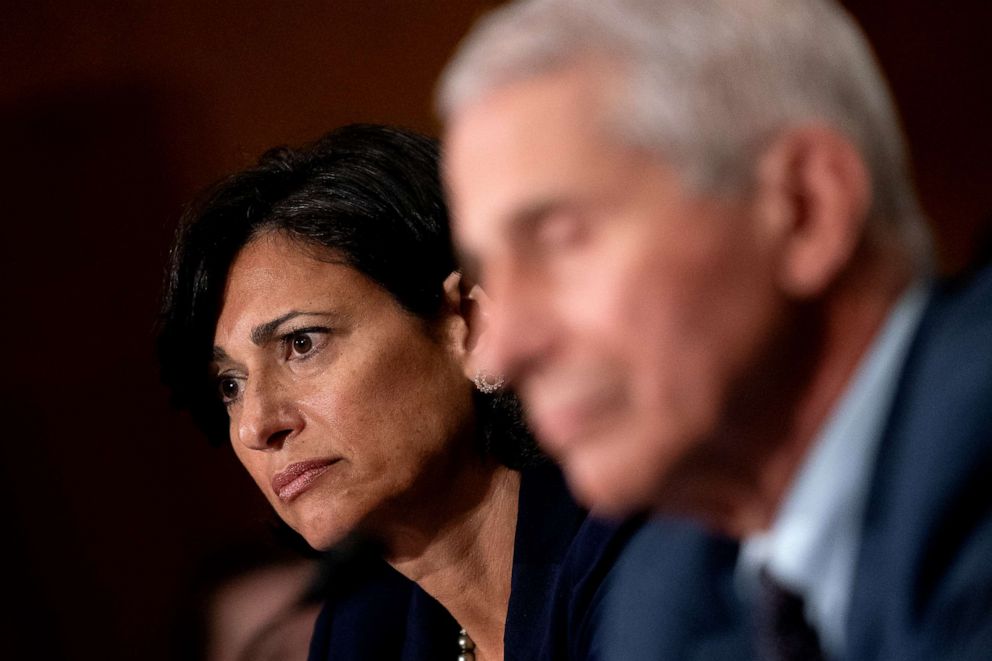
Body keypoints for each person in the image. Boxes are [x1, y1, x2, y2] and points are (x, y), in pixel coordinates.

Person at [437, 1, 992, 659]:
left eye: (560, 241)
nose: (504, 348)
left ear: (805, 209)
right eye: (490, 270)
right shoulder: (664, 595)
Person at [157, 123, 638, 660]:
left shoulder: (635, 544)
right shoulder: (361, 636)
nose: (257, 425)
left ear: (471, 327)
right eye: (231, 385)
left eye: (302, 343)